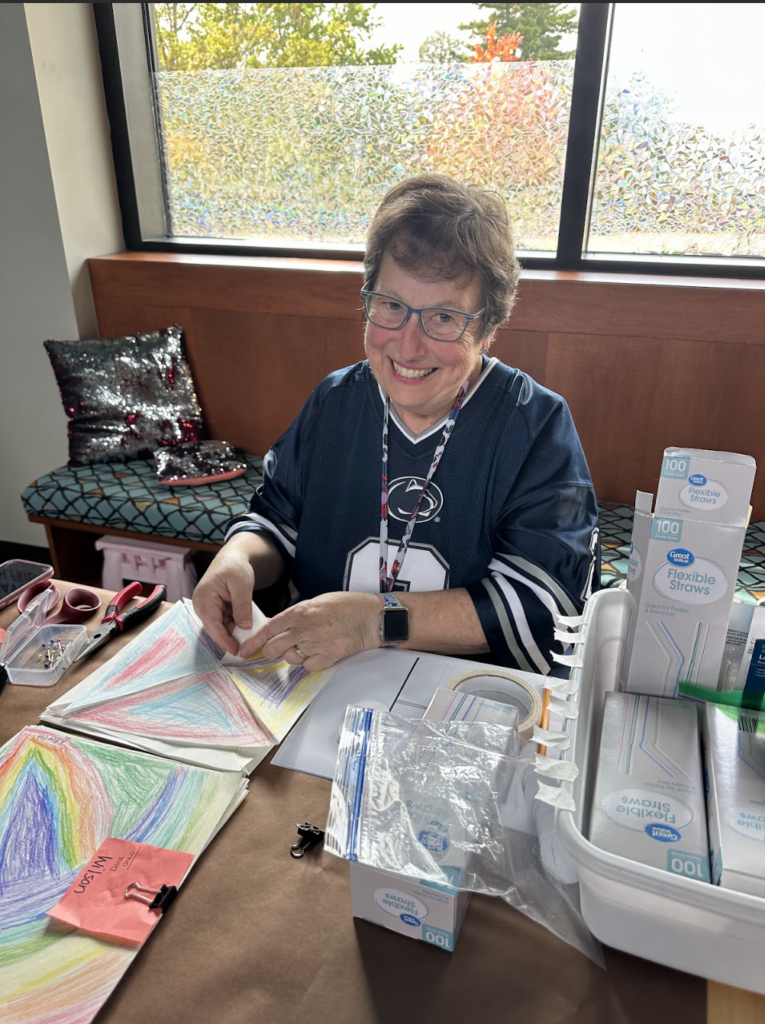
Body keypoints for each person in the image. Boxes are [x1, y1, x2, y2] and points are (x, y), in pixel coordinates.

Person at [193, 174, 598, 673]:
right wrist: (236, 559)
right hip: (311, 686)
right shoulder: (336, 401)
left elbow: (541, 607)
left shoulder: (535, 426)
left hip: (460, 706)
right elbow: (277, 521)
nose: (407, 346)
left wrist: (376, 622)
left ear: (489, 327)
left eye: (445, 317)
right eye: (391, 306)